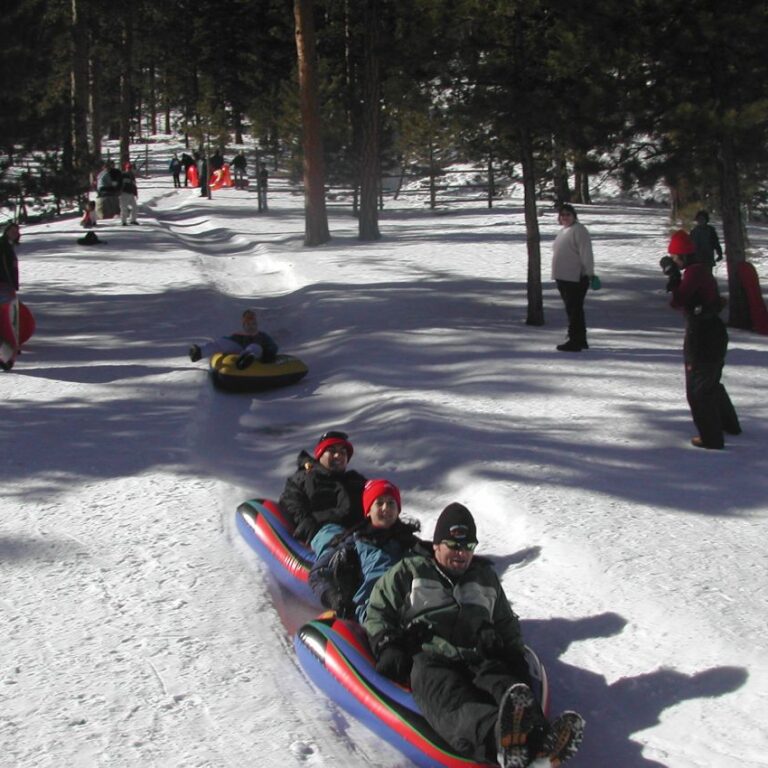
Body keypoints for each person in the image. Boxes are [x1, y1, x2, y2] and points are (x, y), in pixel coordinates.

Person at [364, 503, 585, 768]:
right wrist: (388, 644)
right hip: (431, 656)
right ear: (436, 545)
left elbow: (505, 622)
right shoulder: (409, 571)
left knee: (506, 684)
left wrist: (513, 653)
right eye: (454, 546)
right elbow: (377, 610)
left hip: (478, 656)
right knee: (450, 695)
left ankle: (538, 741)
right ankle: (500, 741)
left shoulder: (484, 578)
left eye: (468, 547)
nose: (462, 553)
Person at [661, 230, 740, 449]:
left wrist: (674, 278)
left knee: (698, 389)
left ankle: (711, 437)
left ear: (682, 257)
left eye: (675, 258)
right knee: (711, 382)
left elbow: (678, 300)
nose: (674, 262)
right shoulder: (701, 269)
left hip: (703, 335)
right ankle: (729, 424)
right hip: (712, 332)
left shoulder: (694, 273)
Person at [309, 479, 421, 622]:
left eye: (391, 503)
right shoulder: (356, 542)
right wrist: (335, 598)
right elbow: (318, 573)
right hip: (372, 610)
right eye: (379, 503)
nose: (386, 508)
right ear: (368, 511)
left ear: (398, 510)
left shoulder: (411, 543)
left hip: (410, 607)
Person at [279, 430, 367, 547]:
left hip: (359, 533)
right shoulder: (304, 479)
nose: (338, 456)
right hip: (325, 534)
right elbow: (293, 507)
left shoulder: (356, 480)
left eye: (343, 452)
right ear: (320, 455)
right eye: (332, 451)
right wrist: (313, 522)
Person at [551, 203, 595, 352]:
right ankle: (580, 339)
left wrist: (589, 273)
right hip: (563, 276)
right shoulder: (564, 231)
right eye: (562, 215)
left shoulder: (579, 230)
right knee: (573, 309)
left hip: (575, 277)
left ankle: (574, 340)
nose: (565, 218)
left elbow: (586, 253)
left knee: (574, 310)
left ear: (574, 216)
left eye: (568, 215)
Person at [188, 308, 278, 369]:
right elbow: (228, 342)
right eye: (248, 325)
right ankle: (200, 353)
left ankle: (246, 359)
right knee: (222, 342)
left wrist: (269, 353)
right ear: (244, 325)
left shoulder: (262, 335)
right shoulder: (239, 335)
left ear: (257, 325)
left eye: (253, 324)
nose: (251, 327)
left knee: (254, 346)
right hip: (239, 353)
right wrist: (223, 342)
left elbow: (273, 346)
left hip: (257, 356)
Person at [0, 222, 20, 298]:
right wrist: (8, 283)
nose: (15, 233)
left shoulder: (9, 244)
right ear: (6, 231)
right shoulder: (3, 245)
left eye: (16, 231)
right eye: (12, 231)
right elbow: (4, 266)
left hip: (7, 284)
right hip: (3, 284)